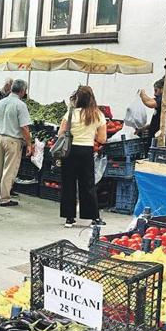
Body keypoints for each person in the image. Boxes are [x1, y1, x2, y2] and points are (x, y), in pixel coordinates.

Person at [57, 86, 107, 228]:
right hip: (86, 151)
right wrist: (92, 133)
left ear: (77, 98)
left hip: (70, 151)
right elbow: (102, 139)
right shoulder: (98, 115)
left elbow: (61, 133)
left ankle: (69, 218)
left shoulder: (70, 113)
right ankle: (93, 218)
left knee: (68, 183)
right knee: (88, 184)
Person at [0, 79, 32, 207]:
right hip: (13, 141)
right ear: (23, 91)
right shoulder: (20, 105)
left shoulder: (1, 102)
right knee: (9, 170)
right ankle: (5, 198)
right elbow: (24, 127)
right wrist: (29, 143)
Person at [139, 78, 166, 145]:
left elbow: (149, 103)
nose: (154, 94)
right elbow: (164, 119)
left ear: (163, 88)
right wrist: (146, 127)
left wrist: (142, 93)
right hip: (161, 138)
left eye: (156, 90)